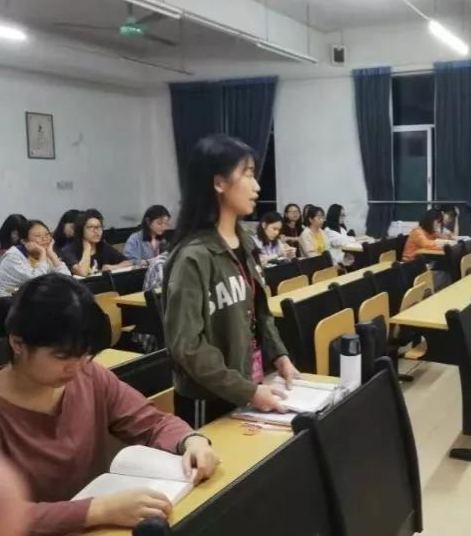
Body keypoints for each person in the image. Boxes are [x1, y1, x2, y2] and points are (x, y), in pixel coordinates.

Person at [0, 274, 220, 535]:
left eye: (86, 355)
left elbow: (151, 422)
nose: (76, 367)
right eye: (62, 356)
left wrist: (191, 441)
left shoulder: (89, 376)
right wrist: (98, 510)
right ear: (17, 343)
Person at [163, 134, 300, 428]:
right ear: (219, 183)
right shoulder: (193, 257)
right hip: (207, 400)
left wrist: (280, 356)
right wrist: (246, 390)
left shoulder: (246, 243)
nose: (257, 186)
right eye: (248, 174)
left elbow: (260, 313)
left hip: (247, 385)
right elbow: (187, 346)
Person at [0, 219, 70, 297]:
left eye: (47, 234)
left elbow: (67, 280)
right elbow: (36, 281)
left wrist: (52, 254)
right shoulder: (13, 256)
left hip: (30, 297)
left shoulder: (46, 253)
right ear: (24, 241)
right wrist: (42, 253)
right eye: (38, 236)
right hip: (7, 300)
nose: (45, 239)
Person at [60, 209, 132, 276]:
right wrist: (87, 250)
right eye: (91, 227)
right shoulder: (69, 251)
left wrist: (113, 267)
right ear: (81, 230)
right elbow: (82, 272)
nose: (96, 231)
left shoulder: (103, 246)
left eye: (99, 227)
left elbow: (128, 263)